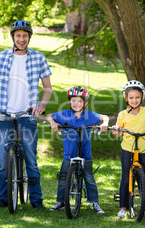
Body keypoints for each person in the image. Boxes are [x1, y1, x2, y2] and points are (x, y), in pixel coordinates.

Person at [0, 20, 52, 210]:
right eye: (18, 36)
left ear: (29, 37)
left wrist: (41, 106)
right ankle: (4, 197)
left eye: (25, 36)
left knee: (31, 158)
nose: (21, 39)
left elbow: (47, 88)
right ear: (13, 37)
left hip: (27, 115)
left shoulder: (38, 58)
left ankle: (36, 200)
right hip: (4, 113)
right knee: (2, 160)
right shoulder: (1, 57)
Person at [45, 86, 109, 214]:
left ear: (85, 103)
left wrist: (104, 124)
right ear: (69, 101)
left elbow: (105, 117)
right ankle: (60, 202)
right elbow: (48, 116)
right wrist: (53, 123)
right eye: (73, 100)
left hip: (85, 153)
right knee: (64, 176)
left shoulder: (89, 115)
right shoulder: (65, 114)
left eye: (80, 101)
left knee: (89, 177)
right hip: (69, 154)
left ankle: (94, 202)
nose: (76, 104)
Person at [112, 80, 145, 218]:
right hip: (127, 148)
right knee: (125, 177)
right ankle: (123, 207)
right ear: (126, 98)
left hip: (142, 148)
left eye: (137, 97)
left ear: (142, 98)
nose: (134, 100)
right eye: (131, 98)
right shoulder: (122, 114)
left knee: (142, 178)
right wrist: (116, 130)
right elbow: (116, 132)